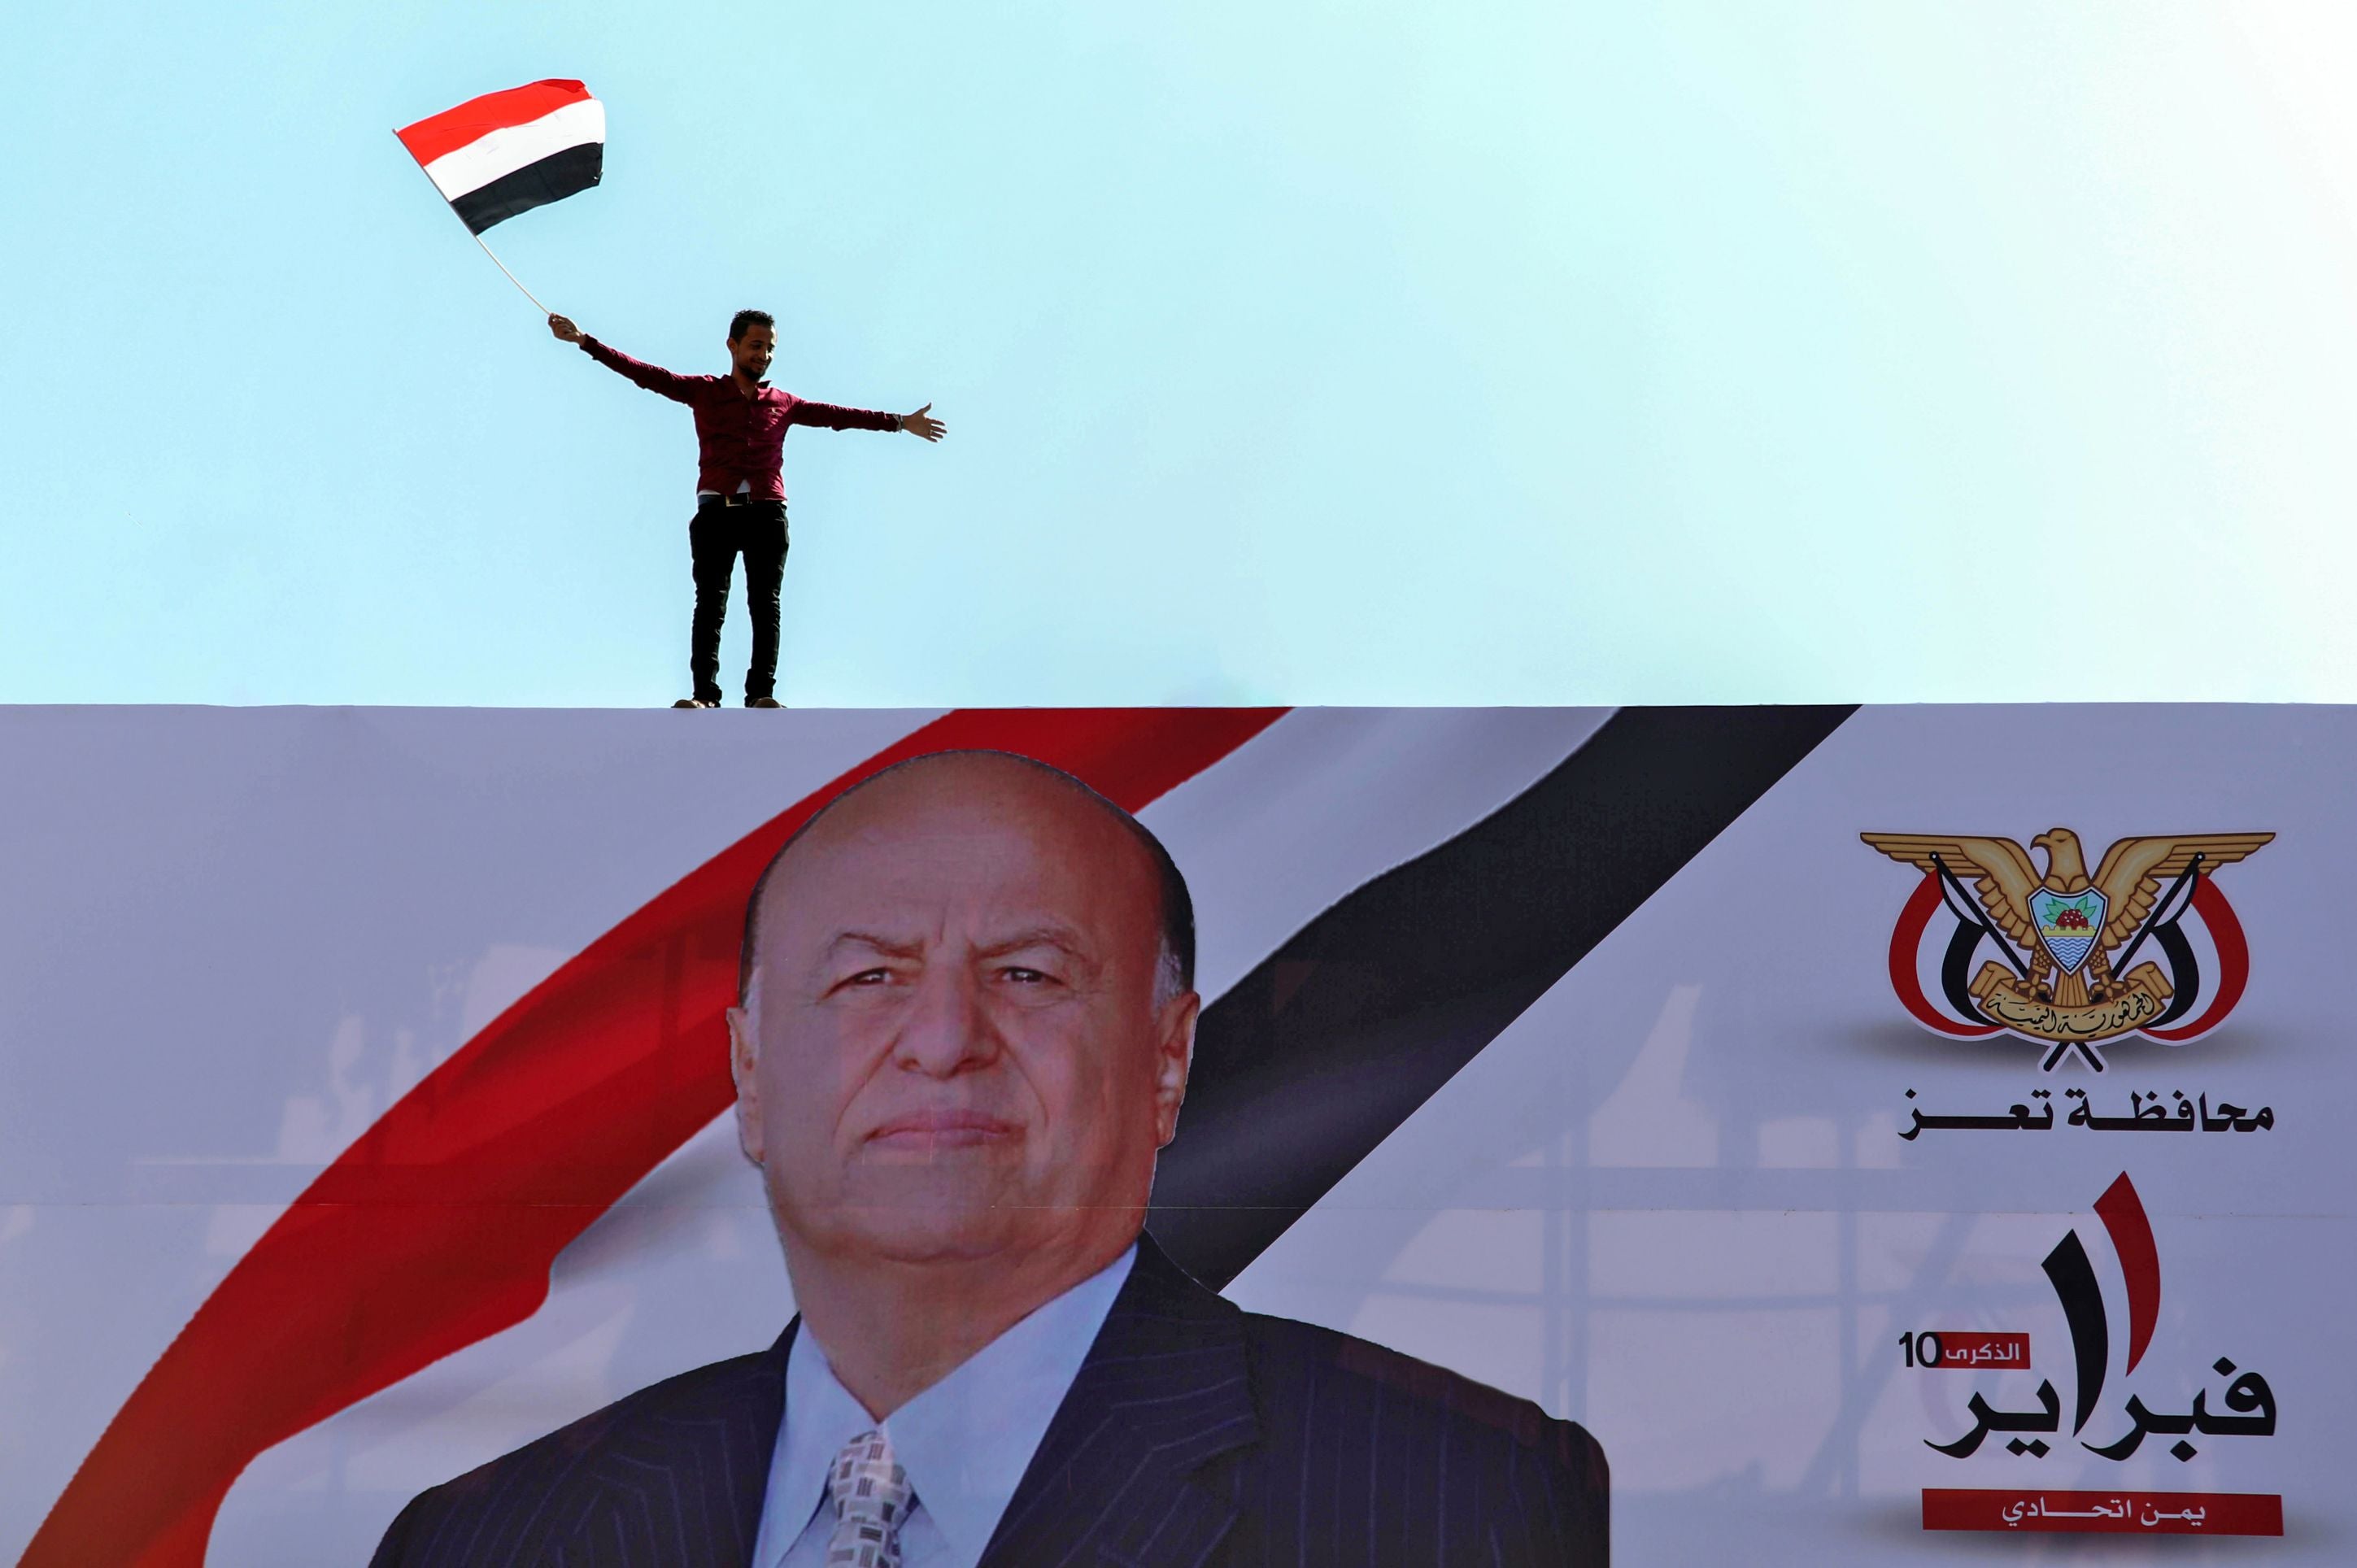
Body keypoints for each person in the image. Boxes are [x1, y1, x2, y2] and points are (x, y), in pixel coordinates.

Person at [370, 752, 1609, 1567]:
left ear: (1166, 1062)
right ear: (749, 1078)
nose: (946, 1041)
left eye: (1027, 975)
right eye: (868, 979)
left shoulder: (1450, 1504)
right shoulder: (488, 1538)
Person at [547, 310, 944, 709]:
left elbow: (837, 417)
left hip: (767, 513)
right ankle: (705, 697)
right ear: (732, 346)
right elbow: (647, 375)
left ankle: (761, 696)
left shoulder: (783, 403)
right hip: (716, 512)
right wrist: (584, 341)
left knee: (765, 603)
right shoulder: (703, 391)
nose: (764, 355)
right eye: (756, 346)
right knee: (710, 603)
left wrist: (899, 423)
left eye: (770, 348)